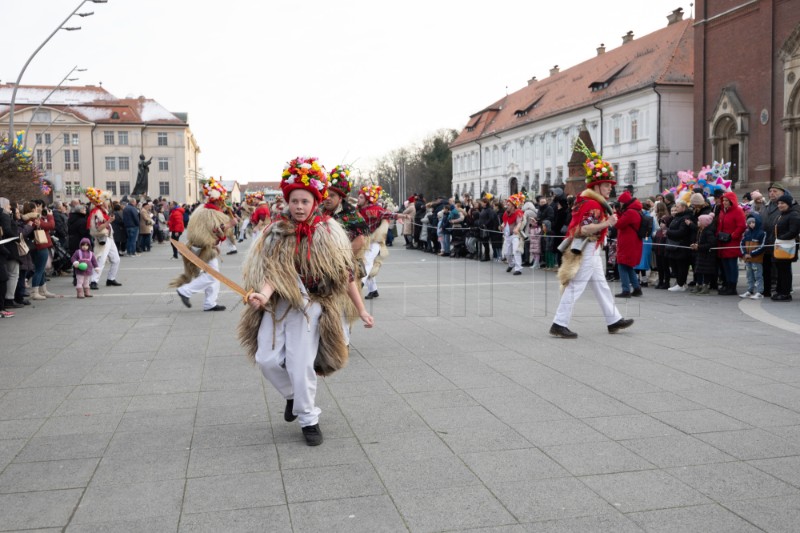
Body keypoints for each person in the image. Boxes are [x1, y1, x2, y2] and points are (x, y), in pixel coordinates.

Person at [239, 156, 374, 446]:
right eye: (295, 201)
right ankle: (292, 396)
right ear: (287, 201)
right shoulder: (277, 231)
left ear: (315, 202)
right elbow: (274, 270)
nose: (299, 207)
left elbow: (346, 275)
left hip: (311, 307)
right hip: (279, 305)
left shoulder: (329, 233)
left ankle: (309, 419)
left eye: (305, 201)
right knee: (266, 359)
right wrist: (262, 294)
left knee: (301, 365)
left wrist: (361, 310)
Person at [549, 146, 633, 339]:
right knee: (577, 285)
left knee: (601, 285)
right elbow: (584, 229)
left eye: (610, 186)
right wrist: (607, 222)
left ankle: (613, 320)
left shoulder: (590, 201)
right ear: (596, 187)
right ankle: (559, 323)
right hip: (587, 248)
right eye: (606, 185)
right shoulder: (594, 204)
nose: (610, 188)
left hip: (591, 248)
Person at [170, 178, 237, 311]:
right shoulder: (210, 213)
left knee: (214, 275)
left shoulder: (203, 210)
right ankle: (185, 291)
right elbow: (216, 229)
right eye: (222, 200)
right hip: (204, 249)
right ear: (218, 199)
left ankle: (210, 303)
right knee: (213, 275)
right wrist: (231, 224)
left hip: (203, 246)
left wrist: (216, 243)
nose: (223, 203)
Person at [357, 184, 405, 299]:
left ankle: (360, 284)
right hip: (362, 241)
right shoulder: (357, 210)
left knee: (367, 262)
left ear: (368, 200)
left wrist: (400, 215)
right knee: (366, 264)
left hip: (374, 241)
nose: (358, 199)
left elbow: (386, 214)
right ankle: (373, 290)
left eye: (361, 197)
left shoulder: (375, 209)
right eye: (358, 197)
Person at [321, 165, 369, 259]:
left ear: (340, 198)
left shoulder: (350, 213)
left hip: (342, 262)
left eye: (332, 195)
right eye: (325, 195)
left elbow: (360, 240)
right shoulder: (319, 211)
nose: (327, 198)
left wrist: (342, 261)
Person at [86, 188, 122, 290]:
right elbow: (98, 227)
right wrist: (109, 221)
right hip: (103, 238)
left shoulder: (103, 211)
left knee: (116, 259)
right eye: (107, 201)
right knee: (101, 260)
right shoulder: (97, 212)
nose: (108, 204)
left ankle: (111, 278)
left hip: (109, 238)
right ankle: (93, 281)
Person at [614, 191, 643, 298]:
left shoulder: (630, 212)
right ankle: (636, 288)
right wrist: (618, 211)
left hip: (628, 243)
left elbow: (618, 224)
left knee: (622, 265)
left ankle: (626, 290)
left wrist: (616, 212)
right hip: (631, 242)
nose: (619, 204)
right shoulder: (634, 211)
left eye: (620, 202)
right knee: (628, 266)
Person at [716, 191, 746, 295]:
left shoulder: (738, 211)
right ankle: (727, 284)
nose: (724, 202)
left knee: (732, 264)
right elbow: (719, 225)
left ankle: (732, 286)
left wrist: (732, 236)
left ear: (731, 201)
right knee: (725, 264)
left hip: (732, 242)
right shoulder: (722, 211)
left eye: (726, 200)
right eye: (723, 200)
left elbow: (741, 226)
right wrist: (718, 235)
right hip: (723, 241)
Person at [771, 193, 800, 301]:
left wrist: (780, 239)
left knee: (785, 271)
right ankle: (780, 291)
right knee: (780, 270)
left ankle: (785, 293)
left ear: (788, 204)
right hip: (780, 246)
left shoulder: (794, 215)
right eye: (778, 203)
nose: (779, 205)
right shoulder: (782, 214)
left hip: (787, 246)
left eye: (782, 203)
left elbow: (793, 231)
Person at [738, 212, 766, 299]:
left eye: (753, 222)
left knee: (758, 275)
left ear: (757, 222)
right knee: (749, 275)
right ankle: (750, 290)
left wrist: (751, 254)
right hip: (747, 258)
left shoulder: (762, 233)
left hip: (756, 258)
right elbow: (742, 243)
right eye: (749, 223)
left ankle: (759, 292)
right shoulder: (747, 233)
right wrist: (744, 253)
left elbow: (762, 246)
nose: (751, 224)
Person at [690, 213, 717, 295]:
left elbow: (712, 243)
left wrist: (699, 246)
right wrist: (695, 245)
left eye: (699, 221)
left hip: (706, 255)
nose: (697, 222)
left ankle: (705, 286)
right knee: (698, 270)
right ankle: (699, 285)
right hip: (700, 254)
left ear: (704, 223)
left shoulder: (708, 232)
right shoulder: (700, 231)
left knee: (706, 271)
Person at [501, 193, 526, 275]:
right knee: (507, 253)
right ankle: (511, 264)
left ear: (513, 206)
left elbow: (519, 222)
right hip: (507, 235)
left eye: (508, 204)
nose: (506, 206)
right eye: (506, 204)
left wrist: (517, 228)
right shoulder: (505, 213)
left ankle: (518, 268)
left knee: (516, 251)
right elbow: (504, 222)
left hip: (515, 235)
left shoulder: (518, 212)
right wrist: (501, 226)